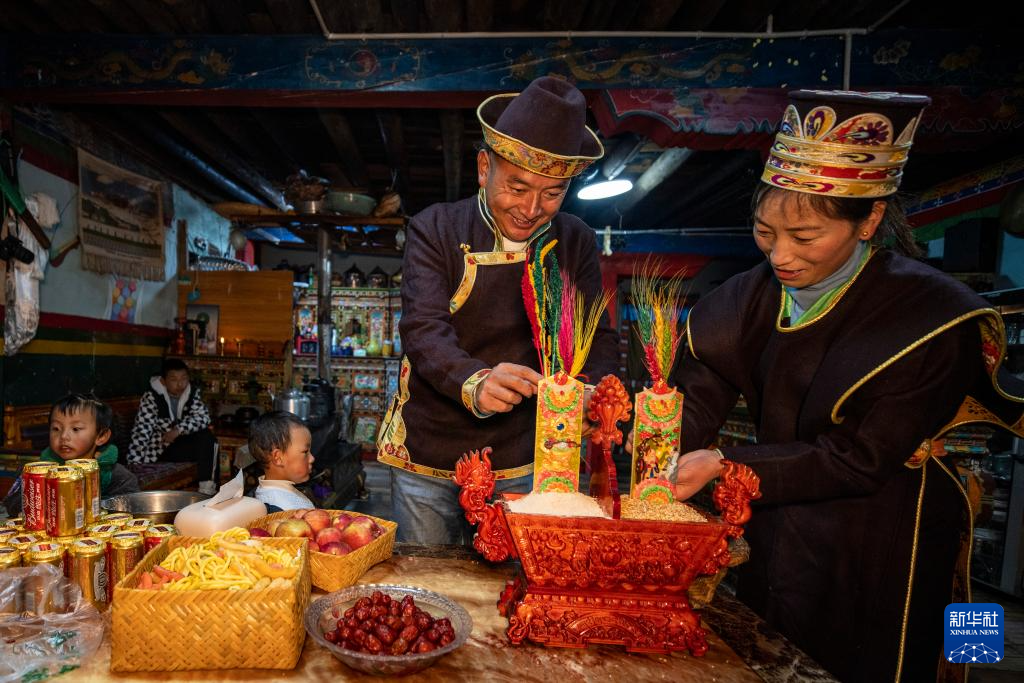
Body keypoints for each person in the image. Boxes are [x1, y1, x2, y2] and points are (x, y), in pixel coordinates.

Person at [654, 90, 1024, 682]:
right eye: (764, 233)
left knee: (864, 652)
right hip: (773, 502)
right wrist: (654, 434)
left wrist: (724, 465)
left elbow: (859, 458)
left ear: (869, 220)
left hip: (883, 521)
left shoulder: (929, 316)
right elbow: (700, 387)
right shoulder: (751, 295)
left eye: (804, 237)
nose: (780, 256)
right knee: (769, 637)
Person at [377, 76, 619, 544]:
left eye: (552, 193)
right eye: (518, 187)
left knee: (515, 594)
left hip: (527, 453)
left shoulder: (575, 242)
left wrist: (596, 393)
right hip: (431, 447)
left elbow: (598, 334)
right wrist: (476, 381)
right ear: (484, 167)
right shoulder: (437, 228)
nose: (531, 209)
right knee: (429, 590)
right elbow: (424, 329)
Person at [3, 393, 139, 516]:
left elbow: (130, 507)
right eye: (56, 428)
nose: (64, 436)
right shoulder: (34, 472)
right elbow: (12, 503)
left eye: (75, 429)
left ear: (101, 436)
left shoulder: (115, 475)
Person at [127, 358, 218, 494]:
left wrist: (178, 430)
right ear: (164, 381)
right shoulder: (152, 397)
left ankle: (207, 489)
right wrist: (134, 465)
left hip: (181, 445)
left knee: (207, 438)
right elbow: (142, 430)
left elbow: (203, 418)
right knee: (205, 440)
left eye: (183, 378)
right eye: (174, 379)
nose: (180, 384)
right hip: (160, 449)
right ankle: (205, 490)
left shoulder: (192, 394)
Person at [236, 410, 314, 513]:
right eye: (305, 452)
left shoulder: (279, 491)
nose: (312, 458)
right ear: (278, 458)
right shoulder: (282, 510)